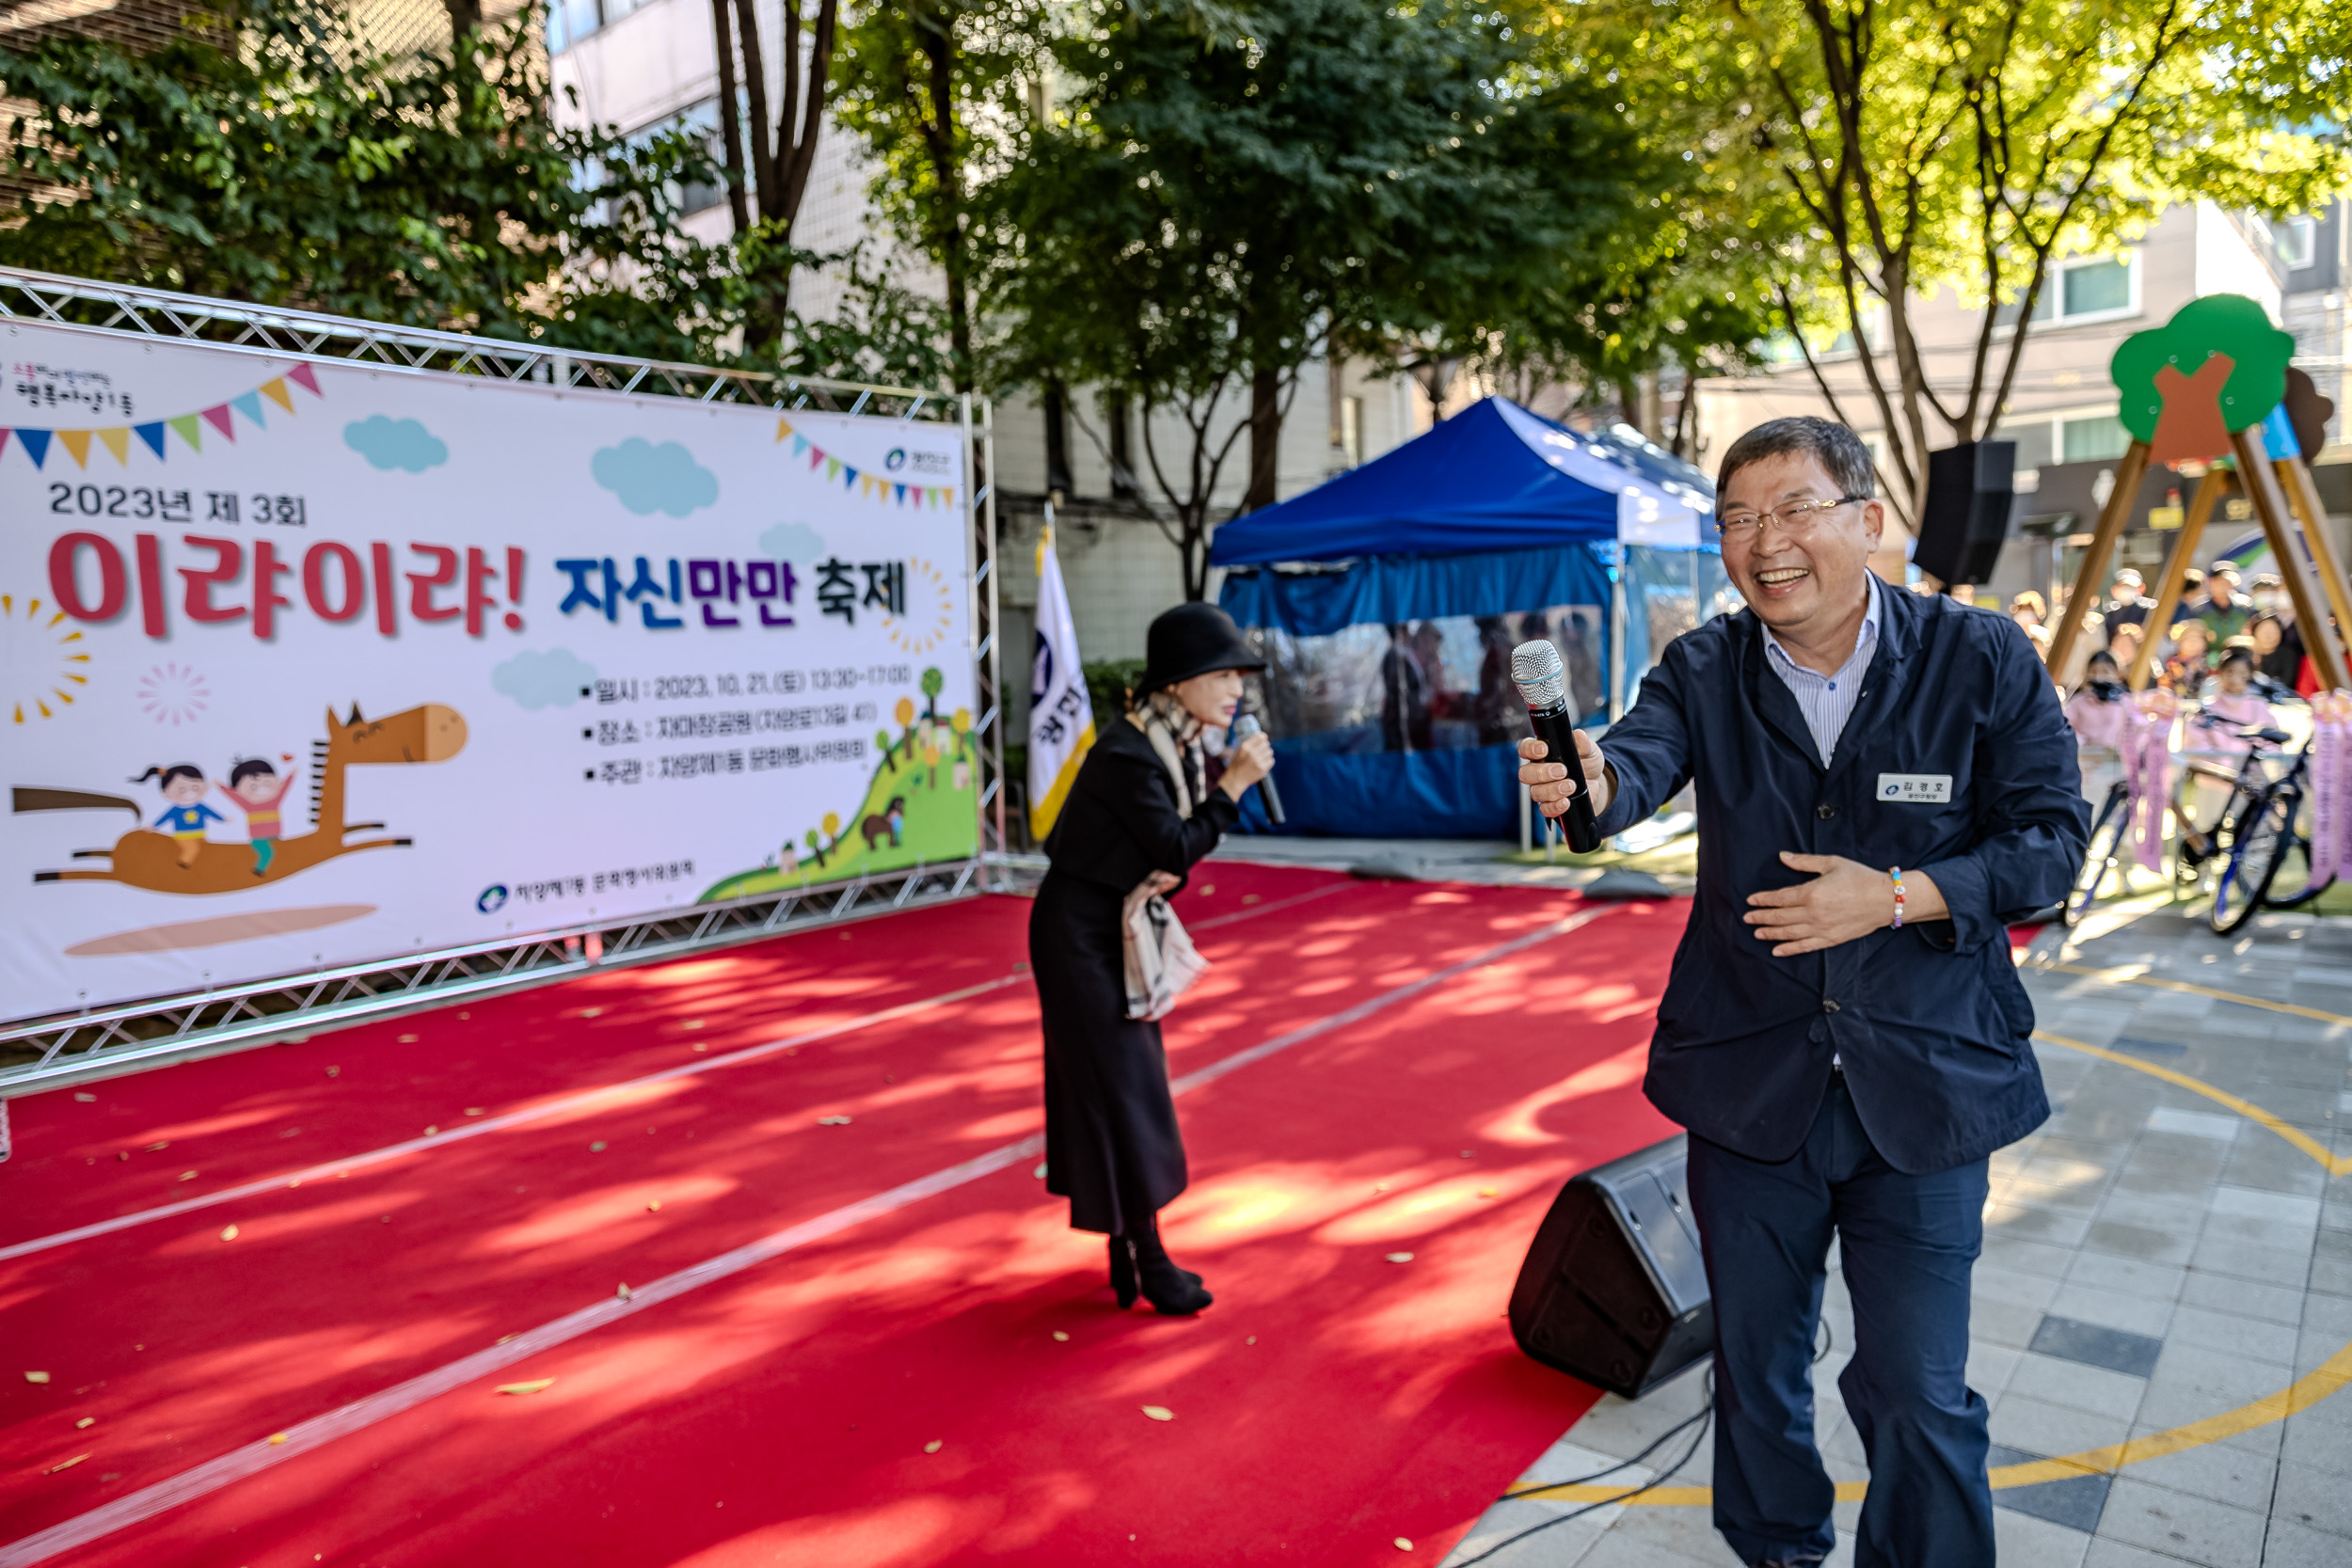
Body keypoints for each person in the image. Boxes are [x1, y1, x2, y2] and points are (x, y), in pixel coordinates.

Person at [1518, 416, 2087, 1568]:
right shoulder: (1701, 667)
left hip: (1923, 1094)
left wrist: (1896, 895)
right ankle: (1778, 1552)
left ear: (1866, 521)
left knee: (1917, 1389)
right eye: (1736, 518)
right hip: (1751, 1091)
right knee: (1757, 1372)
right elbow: (1631, 767)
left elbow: (2051, 845)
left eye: (1791, 509)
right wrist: (1586, 780)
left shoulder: (1979, 657)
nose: (1762, 541)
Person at [1028, 601, 1274, 1317]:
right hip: (1080, 934)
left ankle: (1125, 1250)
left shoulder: (1172, 743)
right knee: (1125, 1092)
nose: (1237, 690)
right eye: (1224, 674)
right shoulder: (1129, 752)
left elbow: (1172, 852)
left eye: (1240, 676)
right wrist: (1232, 787)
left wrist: (1218, 792)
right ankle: (1151, 1257)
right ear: (1180, 681)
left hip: (1113, 923)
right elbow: (1174, 847)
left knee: (1120, 1090)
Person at [135, 763, 226, 869]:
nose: (190, 793)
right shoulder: (175, 810)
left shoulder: (200, 807)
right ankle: (183, 863)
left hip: (200, 835)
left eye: (195, 787)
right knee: (192, 849)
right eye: (181, 789)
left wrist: (223, 819)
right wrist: (153, 827)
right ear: (165, 794)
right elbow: (164, 818)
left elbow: (212, 814)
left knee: (205, 850)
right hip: (184, 836)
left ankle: (201, 867)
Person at [218, 757, 296, 877]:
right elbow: (232, 796)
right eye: (253, 787)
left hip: (276, 836)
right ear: (238, 790)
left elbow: (284, 788)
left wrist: (292, 774)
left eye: (267, 782)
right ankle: (259, 870)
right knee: (267, 853)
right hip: (258, 838)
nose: (262, 788)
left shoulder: (275, 801)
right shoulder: (249, 806)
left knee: (281, 853)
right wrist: (220, 786)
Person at [2064, 650, 2130, 752]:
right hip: (2084, 756)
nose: (2099, 677)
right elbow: (2066, 727)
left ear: (2117, 674)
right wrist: (2082, 740)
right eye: (2094, 671)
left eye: (2105, 671)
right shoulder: (2078, 702)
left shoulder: (2126, 703)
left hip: (2113, 761)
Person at [2189, 560, 2250, 644]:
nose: (2223, 585)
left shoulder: (2245, 607)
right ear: (2210, 582)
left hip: (2239, 654)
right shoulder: (2198, 609)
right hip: (2207, 655)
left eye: (2227, 582)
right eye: (2219, 581)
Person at [2160, 620, 2213, 696]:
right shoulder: (2171, 664)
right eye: (2187, 638)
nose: (2193, 642)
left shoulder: (2210, 662)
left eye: (2197, 638)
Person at [2102, 568, 2151, 645]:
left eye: (2131, 587)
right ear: (2114, 589)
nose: (2126, 590)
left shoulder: (2148, 610)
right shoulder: (2110, 612)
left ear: (2141, 588)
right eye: (2123, 586)